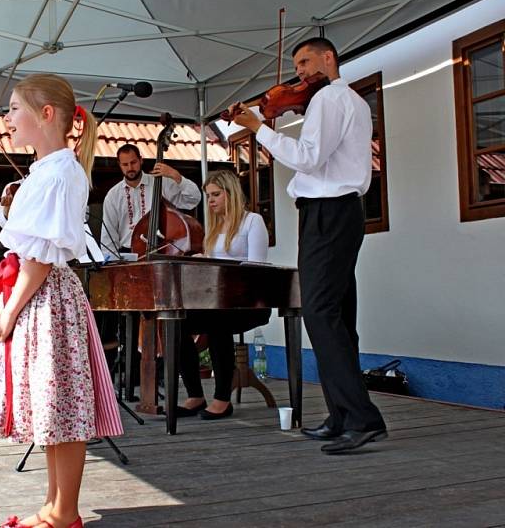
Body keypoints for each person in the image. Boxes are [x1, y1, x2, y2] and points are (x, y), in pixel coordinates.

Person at [227, 37, 387, 454]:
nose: (298, 71)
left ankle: (361, 417)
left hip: (329, 212)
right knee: (338, 314)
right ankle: (342, 415)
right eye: (296, 63)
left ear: (329, 58)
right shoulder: (340, 100)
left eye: (305, 61)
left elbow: (309, 158)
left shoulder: (330, 100)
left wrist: (259, 128)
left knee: (318, 311)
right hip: (336, 212)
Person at [0, 73, 122, 528]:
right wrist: (7, 303)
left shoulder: (60, 172)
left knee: (62, 406)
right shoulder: (47, 170)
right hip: (40, 294)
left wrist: (9, 308)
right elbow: (28, 256)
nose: (7, 119)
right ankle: (55, 505)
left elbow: (38, 260)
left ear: (46, 114)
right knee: (51, 405)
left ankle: (65, 513)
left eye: (14, 108)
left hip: (47, 296)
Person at [177, 169, 271, 420]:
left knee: (218, 324)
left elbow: (257, 270)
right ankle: (195, 395)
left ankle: (222, 399)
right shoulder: (215, 228)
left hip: (248, 302)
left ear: (231, 193)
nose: (210, 201)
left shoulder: (253, 222)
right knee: (176, 324)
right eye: (208, 196)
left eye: (216, 194)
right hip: (217, 301)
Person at [100, 143, 201, 258]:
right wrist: (113, 262)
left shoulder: (161, 183)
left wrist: (176, 176)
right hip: (127, 255)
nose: (130, 168)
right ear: (119, 165)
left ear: (141, 160)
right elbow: (108, 235)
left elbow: (193, 199)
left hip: (162, 252)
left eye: (133, 162)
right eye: (125, 164)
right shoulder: (113, 195)